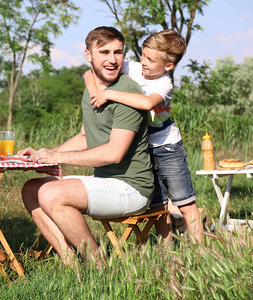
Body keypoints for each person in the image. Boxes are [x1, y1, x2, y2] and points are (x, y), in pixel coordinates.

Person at [18, 26, 154, 265]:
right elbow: (84, 137)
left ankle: (97, 265)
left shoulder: (127, 92)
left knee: (51, 193)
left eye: (118, 52)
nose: (112, 59)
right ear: (88, 55)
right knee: (31, 189)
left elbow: (114, 153)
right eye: (104, 52)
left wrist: (58, 157)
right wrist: (45, 155)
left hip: (132, 188)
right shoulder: (92, 89)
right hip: (105, 183)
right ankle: (70, 262)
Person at [84, 29, 202, 243]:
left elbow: (147, 103)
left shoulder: (164, 83)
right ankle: (166, 251)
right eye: (143, 55)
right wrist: (95, 95)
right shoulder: (132, 68)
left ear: (168, 66)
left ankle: (200, 252)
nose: (143, 61)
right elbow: (88, 73)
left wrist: (109, 94)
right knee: (158, 205)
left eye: (150, 59)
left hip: (167, 147)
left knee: (185, 202)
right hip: (143, 147)